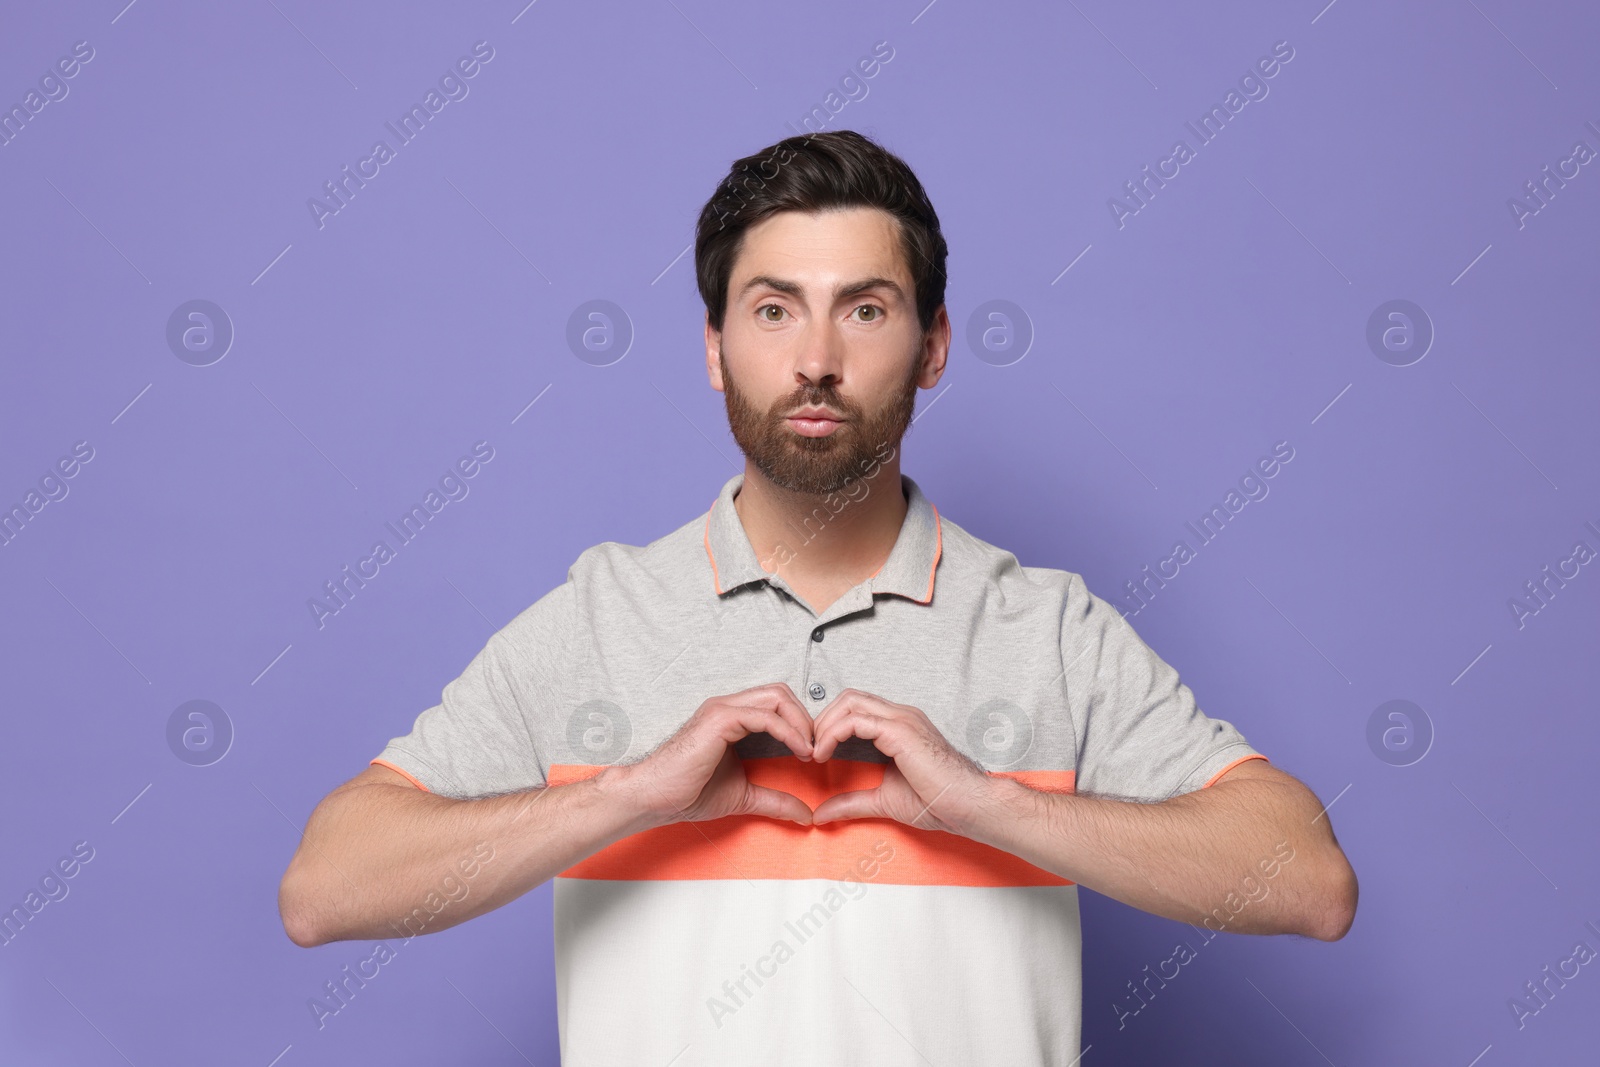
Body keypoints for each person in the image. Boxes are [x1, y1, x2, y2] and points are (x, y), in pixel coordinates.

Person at [277, 129, 1357, 1065]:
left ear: (931, 346)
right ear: (714, 348)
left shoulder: (1046, 626)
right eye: (773, 308)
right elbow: (325, 887)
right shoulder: (600, 616)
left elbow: (1307, 879)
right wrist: (628, 794)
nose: (816, 358)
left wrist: (991, 805)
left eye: (866, 309)